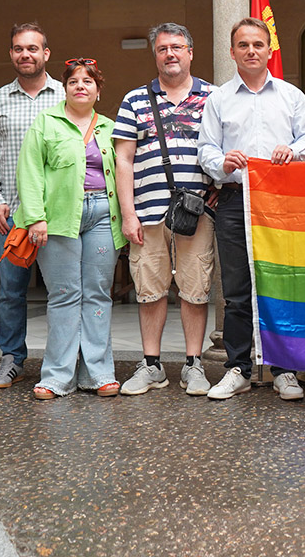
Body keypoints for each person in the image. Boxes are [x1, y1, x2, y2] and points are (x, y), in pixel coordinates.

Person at [198, 17, 305, 400]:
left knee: (281, 285)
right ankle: (238, 369)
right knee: (236, 291)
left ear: (270, 50)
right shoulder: (219, 99)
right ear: (232, 52)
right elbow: (206, 149)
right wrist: (222, 162)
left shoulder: (291, 96)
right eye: (243, 45)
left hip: (281, 202)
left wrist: (293, 150)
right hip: (234, 200)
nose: (251, 51)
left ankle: (285, 370)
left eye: (258, 44)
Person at [113, 23, 215, 397]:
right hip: (147, 212)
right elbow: (123, 160)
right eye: (162, 48)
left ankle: (193, 365)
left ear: (190, 52)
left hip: (196, 213)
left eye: (177, 47)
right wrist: (128, 214)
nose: (170, 54)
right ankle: (152, 365)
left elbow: (222, 149)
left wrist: (216, 190)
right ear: (155, 55)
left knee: (196, 288)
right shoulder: (134, 100)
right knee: (149, 289)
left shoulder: (213, 97)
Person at [15, 58, 126, 399]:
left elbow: (123, 172)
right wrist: (36, 217)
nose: (80, 86)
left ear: (98, 90)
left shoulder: (109, 127)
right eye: (74, 81)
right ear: (64, 88)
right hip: (58, 219)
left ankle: (98, 373)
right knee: (64, 295)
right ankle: (57, 376)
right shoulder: (46, 122)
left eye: (88, 81)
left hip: (103, 216)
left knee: (97, 293)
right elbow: (29, 170)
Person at [0, 23, 64, 389]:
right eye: (18, 49)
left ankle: (63, 363)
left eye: (32, 48)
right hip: (11, 216)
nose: (25, 54)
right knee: (11, 293)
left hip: (58, 216)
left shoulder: (66, 95)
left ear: (46, 53)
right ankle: (12, 359)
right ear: (11, 54)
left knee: (63, 293)